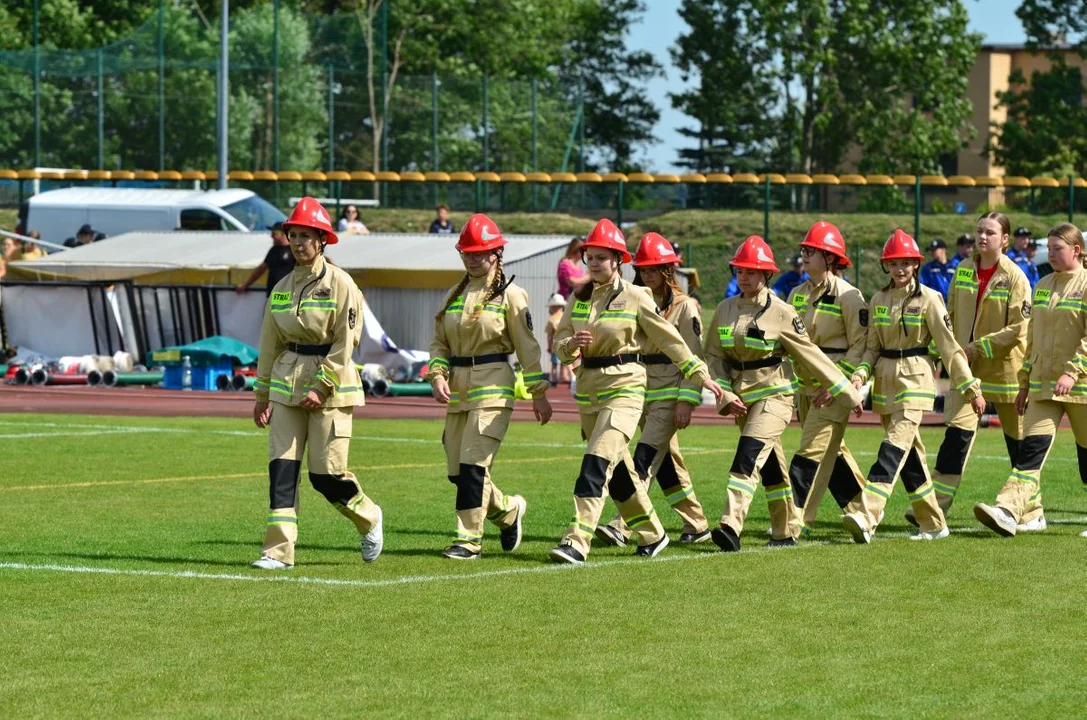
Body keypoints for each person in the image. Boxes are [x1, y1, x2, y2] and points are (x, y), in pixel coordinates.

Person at [549, 219, 724, 564]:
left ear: (618, 260)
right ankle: (653, 534)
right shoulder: (579, 297)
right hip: (589, 392)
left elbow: (671, 340)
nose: (595, 263)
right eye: (590, 257)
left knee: (596, 463)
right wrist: (571, 343)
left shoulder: (636, 296)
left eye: (602, 257)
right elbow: (559, 344)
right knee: (621, 475)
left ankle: (577, 539)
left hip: (626, 388)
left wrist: (700, 376)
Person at [704, 236, 863, 552]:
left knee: (747, 456)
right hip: (741, 399)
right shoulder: (724, 310)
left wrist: (847, 392)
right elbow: (713, 357)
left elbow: (810, 354)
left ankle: (730, 525)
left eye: (752, 271)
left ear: (766, 275)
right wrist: (722, 393)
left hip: (775, 396)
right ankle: (785, 529)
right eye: (740, 271)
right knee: (773, 470)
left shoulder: (782, 311)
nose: (744, 277)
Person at [250, 197, 382, 569]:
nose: (297, 243)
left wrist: (321, 385)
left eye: (306, 236)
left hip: (331, 387)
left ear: (323, 240)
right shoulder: (280, 288)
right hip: (287, 383)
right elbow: (268, 344)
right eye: (293, 235)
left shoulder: (342, 284)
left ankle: (369, 516)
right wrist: (262, 394)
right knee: (282, 468)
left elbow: (346, 342)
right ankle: (278, 552)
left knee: (326, 476)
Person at [841, 229, 985, 544]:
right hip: (884, 384)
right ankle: (933, 524)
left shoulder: (931, 298)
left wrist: (971, 388)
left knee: (891, 449)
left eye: (906, 262)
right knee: (910, 458)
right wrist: (859, 375)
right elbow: (871, 349)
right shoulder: (878, 299)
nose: (900, 269)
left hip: (916, 380)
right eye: (893, 263)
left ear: (916, 264)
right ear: (885, 266)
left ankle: (867, 515)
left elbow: (950, 349)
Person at [426, 213, 552, 560]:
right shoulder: (454, 294)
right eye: (467, 252)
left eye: (480, 252)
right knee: (457, 472)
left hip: (494, 386)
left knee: (473, 467)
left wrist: (539, 393)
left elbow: (527, 347)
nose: (473, 258)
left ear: (497, 252)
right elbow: (439, 344)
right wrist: (437, 375)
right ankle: (508, 511)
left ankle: (467, 540)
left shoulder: (511, 295)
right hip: (458, 390)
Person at [914, 212, 1035, 527]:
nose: (982, 237)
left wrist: (976, 348)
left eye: (990, 233)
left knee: (1019, 445)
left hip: (1006, 371)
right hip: (966, 371)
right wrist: (943, 350)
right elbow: (949, 314)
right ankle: (934, 508)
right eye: (979, 231)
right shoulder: (963, 270)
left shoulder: (1016, 277)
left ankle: (1032, 512)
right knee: (956, 437)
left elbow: (1019, 329)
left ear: (1004, 240)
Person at [594, 232, 713, 547]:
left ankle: (623, 524)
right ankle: (697, 524)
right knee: (668, 466)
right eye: (643, 268)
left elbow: (693, 354)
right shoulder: (635, 299)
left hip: (670, 395)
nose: (647, 274)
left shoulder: (686, 308)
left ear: (668, 271)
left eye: (654, 268)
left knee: (643, 458)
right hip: (640, 392)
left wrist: (688, 400)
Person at [974, 222, 1087, 538]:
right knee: (1030, 453)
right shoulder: (1042, 286)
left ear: (1077, 250)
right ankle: (1008, 511)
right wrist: (1024, 382)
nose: (1050, 254)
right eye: (1048, 248)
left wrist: (1071, 371)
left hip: (1080, 387)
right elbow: (1032, 339)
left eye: (1057, 249)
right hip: (1042, 386)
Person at [784, 221, 871, 536]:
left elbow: (860, 346)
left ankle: (793, 521)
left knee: (809, 452)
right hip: (806, 387)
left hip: (832, 388)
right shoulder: (795, 294)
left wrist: (837, 385)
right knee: (833, 453)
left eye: (812, 251)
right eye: (804, 250)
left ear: (830, 258)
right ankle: (866, 512)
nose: (804, 255)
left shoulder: (850, 296)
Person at [236, 222, 296, 296]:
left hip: (288, 293)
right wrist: (245, 285)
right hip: (273, 294)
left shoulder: (294, 250)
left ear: (283, 234)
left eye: (274, 233)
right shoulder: (273, 250)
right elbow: (261, 269)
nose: (271, 236)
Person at [545, 292, 569, 385]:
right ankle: (564, 376)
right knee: (564, 362)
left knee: (554, 364)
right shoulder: (566, 317)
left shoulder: (551, 319)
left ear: (553, 307)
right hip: (565, 344)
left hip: (555, 346)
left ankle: (554, 379)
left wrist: (549, 346)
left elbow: (549, 335)